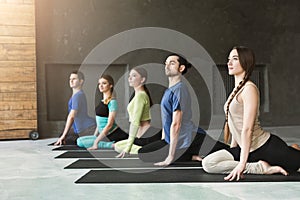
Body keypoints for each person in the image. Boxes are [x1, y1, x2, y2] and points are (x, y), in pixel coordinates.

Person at [202, 46, 300, 181]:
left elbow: (247, 129)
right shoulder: (237, 89)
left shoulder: (249, 89)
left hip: (266, 148)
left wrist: (241, 165)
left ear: (245, 62)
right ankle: (261, 168)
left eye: (235, 59)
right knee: (208, 163)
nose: (229, 63)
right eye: (229, 59)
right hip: (247, 149)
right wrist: (233, 151)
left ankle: (294, 150)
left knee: (296, 163)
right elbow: (235, 122)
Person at [138, 53, 229, 166]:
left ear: (181, 68)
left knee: (230, 153)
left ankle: (253, 156)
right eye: (166, 63)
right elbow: (167, 118)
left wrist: (170, 157)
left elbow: (176, 123)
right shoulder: (169, 90)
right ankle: (190, 156)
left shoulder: (179, 89)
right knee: (143, 153)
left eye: (172, 63)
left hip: (191, 138)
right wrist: (164, 140)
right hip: (174, 141)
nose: (167, 66)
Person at [114, 67, 162, 158]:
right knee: (117, 145)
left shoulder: (141, 96)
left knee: (120, 147)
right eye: (129, 76)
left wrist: (127, 149)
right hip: (141, 134)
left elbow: (135, 122)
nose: (130, 78)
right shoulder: (139, 95)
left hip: (147, 135)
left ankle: (148, 151)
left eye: (134, 76)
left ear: (142, 80)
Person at [76, 75, 128, 149]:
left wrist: (96, 142)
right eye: (99, 84)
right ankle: (106, 143)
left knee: (81, 142)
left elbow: (110, 124)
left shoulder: (112, 102)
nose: (100, 86)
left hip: (112, 135)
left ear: (110, 85)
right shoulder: (102, 101)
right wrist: (95, 136)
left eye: (104, 83)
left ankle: (113, 145)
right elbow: (99, 122)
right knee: (79, 140)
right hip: (103, 134)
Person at [54, 71, 96, 145]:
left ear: (81, 81)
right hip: (81, 129)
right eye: (70, 79)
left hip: (88, 128)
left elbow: (71, 116)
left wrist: (64, 135)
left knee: (66, 139)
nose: (71, 81)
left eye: (74, 79)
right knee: (64, 137)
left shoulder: (78, 95)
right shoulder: (77, 94)